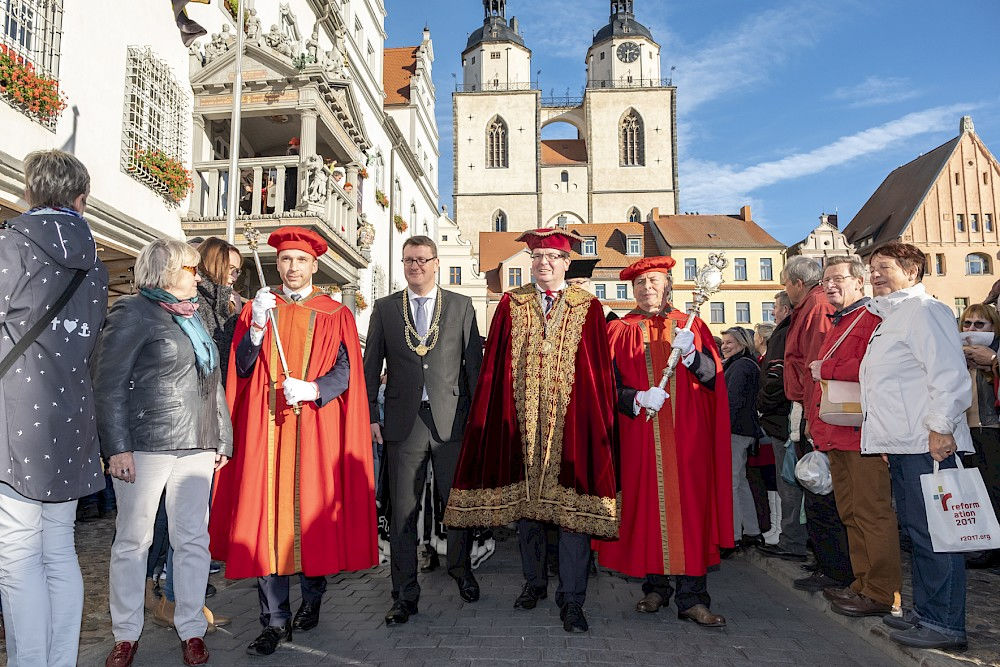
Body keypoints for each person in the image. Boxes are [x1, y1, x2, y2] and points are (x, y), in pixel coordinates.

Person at [208, 226, 376, 657]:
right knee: (267, 521)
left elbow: (347, 373)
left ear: (314, 265)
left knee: (309, 517)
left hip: (313, 429)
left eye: (300, 260)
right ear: (277, 265)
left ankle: (313, 598)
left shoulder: (335, 313)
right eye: (285, 260)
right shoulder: (259, 310)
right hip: (267, 430)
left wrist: (315, 388)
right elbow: (242, 368)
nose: (292, 267)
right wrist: (258, 329)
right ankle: (273, 620)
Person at [444, 228, 619, 634]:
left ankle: (572, 599)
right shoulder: (512, 303)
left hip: (569, 424)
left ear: (565, 262)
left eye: (552, 257)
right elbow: (495, 365)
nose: (544, 262)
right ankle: (534, 582)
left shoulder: (587, 306)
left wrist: (597, 424)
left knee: (572, 515)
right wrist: (492, 416)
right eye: (537, 255)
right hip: (520, 422)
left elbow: (598, 373)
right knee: (528, 512)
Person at [94, 238, 232, 667]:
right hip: (145, 446)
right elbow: (108, 383)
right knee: (134, 541)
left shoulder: (192, 317)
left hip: (196, 444)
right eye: (191, 269)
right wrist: (116, 447)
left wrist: (222, 438)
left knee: (192, 540)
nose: (197, 276)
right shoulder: (132, 312)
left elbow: (213, 383)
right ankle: (126, 635)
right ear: (166, 271)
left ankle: (190, 628)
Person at [0, 150, 108, 667]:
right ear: (80, 198)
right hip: (71, 415)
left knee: (17, 557)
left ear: (30, 189)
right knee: (59, 551)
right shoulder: (97, 261)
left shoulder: (13, 243)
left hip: (16, 415)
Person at [593, 257, 732, 627]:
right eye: (639, 284)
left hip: (689, 439)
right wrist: (634, 399)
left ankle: (692, 597)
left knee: (690, 512)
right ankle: (655, 587)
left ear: (667, 285)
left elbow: (713, 379)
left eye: (653, 281)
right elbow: (607, 389)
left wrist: (691, 355)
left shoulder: (691, 325)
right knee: (648, 511)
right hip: (639, 437)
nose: (646, 288)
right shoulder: (619, 330)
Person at [363, 235, 483, 625]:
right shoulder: (384, 309)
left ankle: (461, 570)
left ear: (435, 263)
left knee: (456, 505)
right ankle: (404, 593)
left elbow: (473, 369)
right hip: (403, 421)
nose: (415, 266)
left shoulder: (462, 306)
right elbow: (370, 367)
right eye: (408, 260)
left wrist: (476, 421)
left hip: (451, 420)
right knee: (402, 511)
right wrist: (370, 416)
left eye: (422, 260)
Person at [860, 241, 972, 650]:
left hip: (930, 444)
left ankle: (945, 625)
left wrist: (941, 429)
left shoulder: (926, 312)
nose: (874, 274)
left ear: (912, 271)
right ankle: (927, 615)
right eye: (871, 268)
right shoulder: (891, 318)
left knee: (937, 535)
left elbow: (949, 374)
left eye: (884, 267)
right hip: (907, 444)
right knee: (919, 534)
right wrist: (888, 440)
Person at [806, 256, 901, 618]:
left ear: (859, 282)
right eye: (825, 280)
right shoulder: (842, 320)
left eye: (837, 279)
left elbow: (871, 367)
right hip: (838, 435)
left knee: (871, 513)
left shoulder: (871, 318)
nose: (829, 285)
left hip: (862, 436)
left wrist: (824, 368)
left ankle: (881, 592)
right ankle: (862, 584)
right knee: (850, 513)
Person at [772, 256, 854, 594]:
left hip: (814, 409)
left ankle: (833, 569)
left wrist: (811, 413)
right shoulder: (810, 307)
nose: (784, 292)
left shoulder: (816, 306)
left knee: (821, 490)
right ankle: (826, 563)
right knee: (814, 489)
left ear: (796, 283)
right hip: (807, 407)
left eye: (784, 285)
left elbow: (816, 364)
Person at [756, 291, 804, 558]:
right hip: (783, 417)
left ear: (785, 309)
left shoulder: (783, 333)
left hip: (781, 419)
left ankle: (792, 542)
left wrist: (762, 404)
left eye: (774, 308)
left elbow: (776, 375)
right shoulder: (788, 330)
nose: (772, 313)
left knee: (788, 483)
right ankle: (792, 539)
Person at [957, 304, 1000, 569]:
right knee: (974, 492)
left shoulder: (994, 354)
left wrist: (993, 362)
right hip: (966, 430)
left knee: (993, 490)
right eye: (967, 323)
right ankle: (982, 545)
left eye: (980, 325)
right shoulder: (957, 353)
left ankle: (992, 550)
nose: (971, 329)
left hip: (992, 428)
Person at [720, 327, 763, 553]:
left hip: (735, 431)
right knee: (740, 482)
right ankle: (752, 532)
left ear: (743, 344)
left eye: (730, 342)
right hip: (742, 430)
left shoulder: (740, 366)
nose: (724, 346)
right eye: (724, 342)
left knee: (731, 484)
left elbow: (731, 402)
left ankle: (733, 536)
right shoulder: (741, 364)